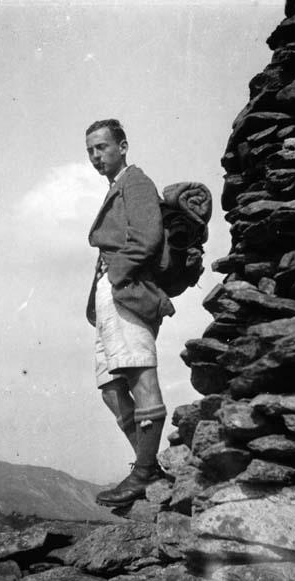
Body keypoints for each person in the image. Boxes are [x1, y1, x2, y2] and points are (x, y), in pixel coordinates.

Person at [84, 119, 175, 507]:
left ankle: (143, 471)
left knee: (139, 375)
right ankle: (147, 464)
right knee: (110, 387)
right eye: (90, 150)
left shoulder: (135, 181)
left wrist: (118, 273)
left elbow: (149, 237)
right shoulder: (116, 186)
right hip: (110, 293)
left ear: (122, 146)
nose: (94, 156)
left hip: (128, 291)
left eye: (101, 147)